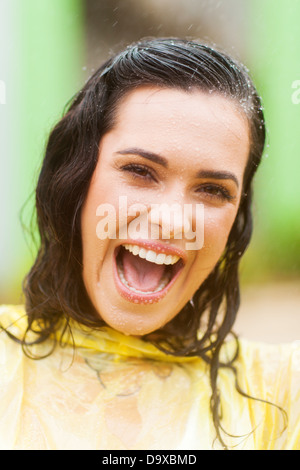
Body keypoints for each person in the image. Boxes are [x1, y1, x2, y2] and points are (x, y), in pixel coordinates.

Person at [0, 37, 299, 450]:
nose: (172, 220)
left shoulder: (282, 397)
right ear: (76, 176)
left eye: (213, 189)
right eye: (140, 170)